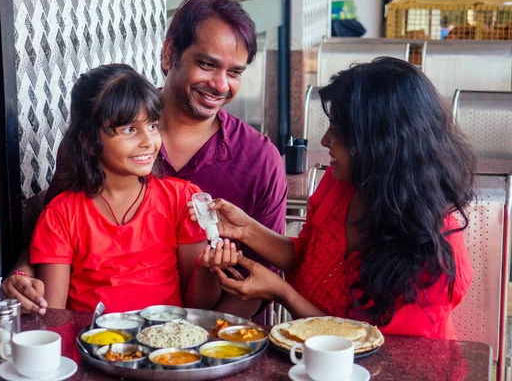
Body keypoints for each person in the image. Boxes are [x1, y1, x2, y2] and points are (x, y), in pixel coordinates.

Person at [2, 0, 287, 319]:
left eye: (235, 72)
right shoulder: (94, 140)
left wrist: (195, 347)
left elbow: (263, 280)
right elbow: (53, 235)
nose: (220, 85)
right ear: (169, 54)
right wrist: (22, 274)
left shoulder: (260, 160)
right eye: (207, 64)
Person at [193, 57, 475, 338]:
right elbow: (308, 257)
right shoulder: (341, 182)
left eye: (339, 131)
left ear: (382, 143)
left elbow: (371, 346)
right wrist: (245, 229)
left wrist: (282, 293)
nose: (325, 140)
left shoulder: (436, 247)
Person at [30, 63, 238, 312]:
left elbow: (197, 305)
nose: (148, 141)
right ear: (89, 141)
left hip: (167, 345)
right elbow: (53, 315)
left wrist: (207, 268)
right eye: (129, 129)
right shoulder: (61, 215)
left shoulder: (183, 200)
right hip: (94, 345)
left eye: (152, 126)